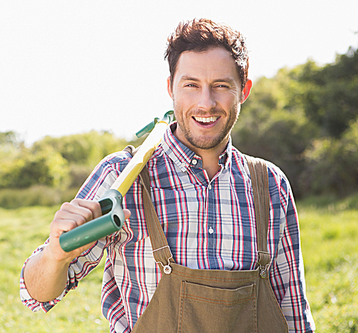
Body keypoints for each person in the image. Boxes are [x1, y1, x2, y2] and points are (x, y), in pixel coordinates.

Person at [20, 18, 315, 332]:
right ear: (170, 87)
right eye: (191, 85)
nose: (206, 103)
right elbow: (39, 295)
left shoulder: (270, 184)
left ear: (244, 90)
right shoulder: (122, 177)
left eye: (221, 85)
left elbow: (292, 309)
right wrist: (56, 254)